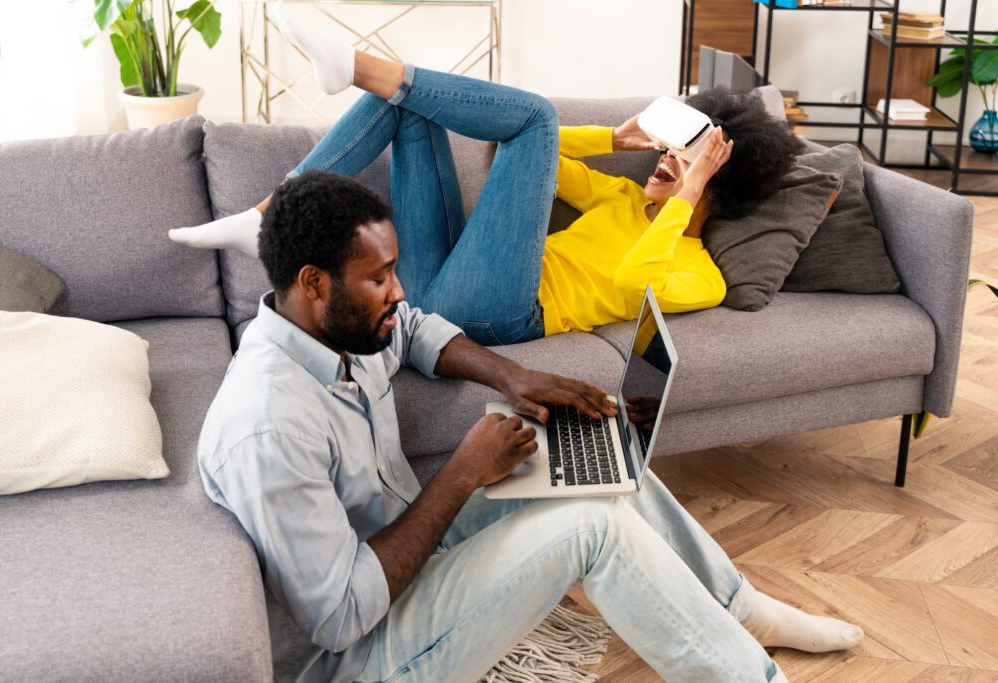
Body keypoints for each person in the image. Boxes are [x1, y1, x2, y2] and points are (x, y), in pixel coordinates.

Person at [196, 168, 864, 683]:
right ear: (313, 283)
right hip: (365, 652)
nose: (398, 292)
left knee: (596, 453)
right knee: (590, 526)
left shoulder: (336, 331)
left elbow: (416, 330)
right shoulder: (269, 426)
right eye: (380, 277)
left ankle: (742, 609)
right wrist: (461, 473)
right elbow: (342, 615)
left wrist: (515, 379)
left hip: (403, 549)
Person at [169, 2, 803, 347]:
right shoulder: (618, 195)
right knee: (410, 107)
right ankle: (266, 216)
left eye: (682, 159)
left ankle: (353, 64)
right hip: (447, 281)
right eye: (670, 151)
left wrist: (687, 191)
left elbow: (634, 277)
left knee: (535, 115)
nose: (664, 161)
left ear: (717, 185)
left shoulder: (703, 277)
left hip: (505, 315)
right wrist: (614, 138)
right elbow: (526, 161)